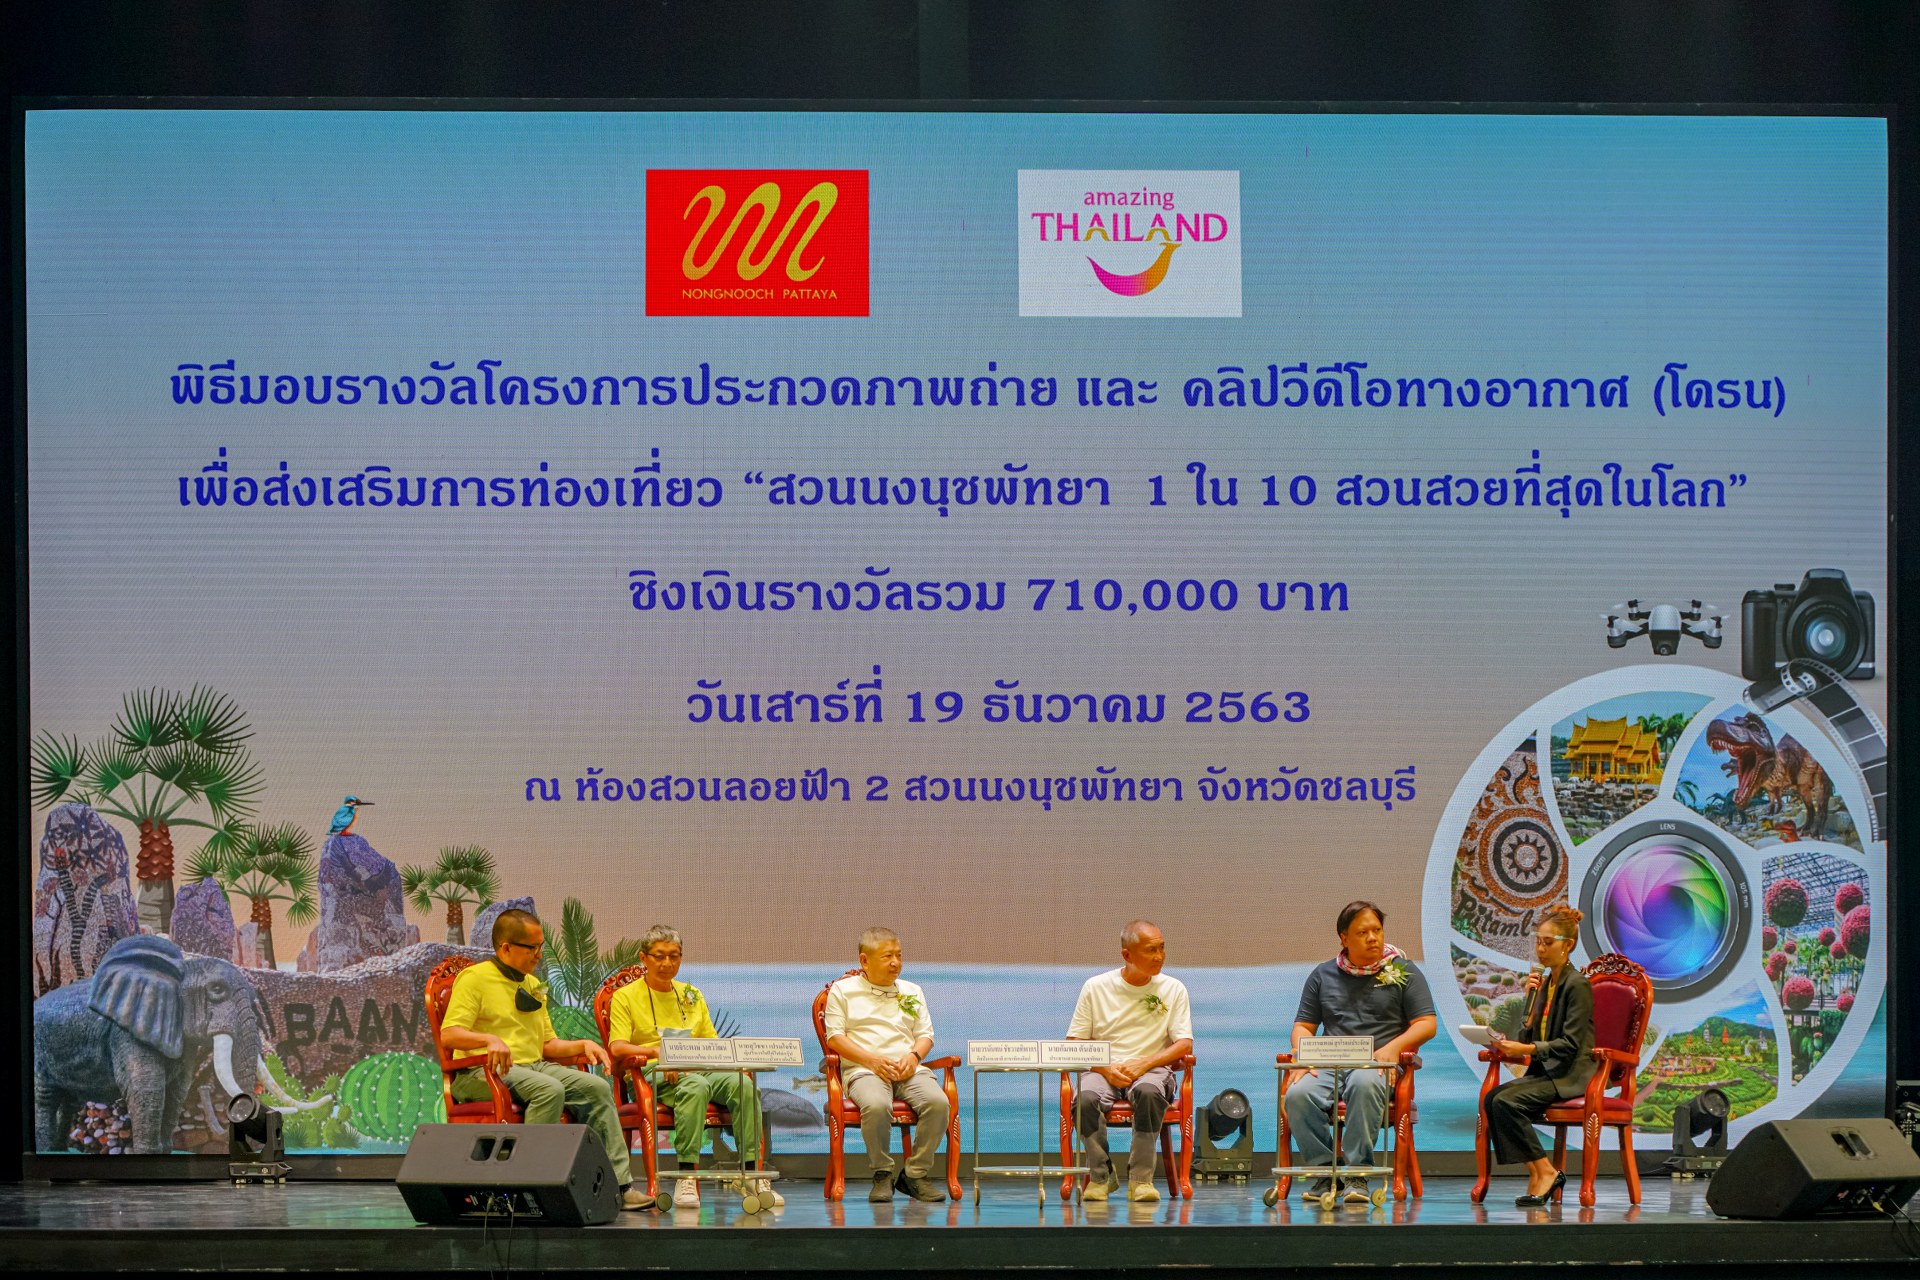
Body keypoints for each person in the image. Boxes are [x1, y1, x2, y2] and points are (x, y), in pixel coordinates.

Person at [440, 908, 651, 1210]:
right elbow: (449, 1035)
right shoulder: (474, 978)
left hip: (532, 1067)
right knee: (548, 1089)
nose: (539, 955)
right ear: (506, 948)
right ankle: (530, 1185)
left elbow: (548, 1045)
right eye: (532, 947)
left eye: (541, 947)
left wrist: (583, 1044)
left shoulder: (531, 984)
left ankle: (617, 1186)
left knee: (595, 1088)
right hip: (482, 1071)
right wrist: (488, 1040)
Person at [606, 925, 780, 1212]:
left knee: (743, 1085)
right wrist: (658, 1053)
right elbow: (618, 1047)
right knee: (695, 1086)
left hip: (697, 1067)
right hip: (652, 1072)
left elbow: (711, 1042)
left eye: (674, 956)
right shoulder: (625, 996)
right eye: (659, 956)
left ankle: (751, 1174)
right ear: (644, 958)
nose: (667, 963)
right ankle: (686, 1175)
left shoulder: (691, 994)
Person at [1286, 900, 1437, 1205]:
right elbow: (1303, 1026)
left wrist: (1393, 1048)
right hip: (1330, 1063)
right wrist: (1302, 1054)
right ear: (1344, 938)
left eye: (1377, 930)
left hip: (1377, 1065)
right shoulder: (1322, 975)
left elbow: (1427, 1024)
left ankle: (1357, 1174)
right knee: (1297, 1094)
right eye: (1363, 932)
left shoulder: (1404, 971)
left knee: (1363, 1083)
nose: (1373, 938)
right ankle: (1324, 1173)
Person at [1067, 919, 1194, 1203]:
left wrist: (1144, 1064)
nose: (1159, 956)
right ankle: (1101, 1176)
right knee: (1085, 1098)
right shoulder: (1096, 987)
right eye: (1151, 950)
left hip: (1152, 1070)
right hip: (1104, 1070)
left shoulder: (1173, 988)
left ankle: (1141, 1180)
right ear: (1127, 955)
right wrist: (1105, 1069)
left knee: (1148, 1092)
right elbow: (1074, 1042)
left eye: (1162, 948)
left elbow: (1184, 1044)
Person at [822, 927, 952, 1202]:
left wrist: (913, 1057)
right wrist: (871, 1060)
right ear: (864, 960)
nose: (895, 962)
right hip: (864, 1069)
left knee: (939, 1103)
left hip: (908, 1069)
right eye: (887, 956)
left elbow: (926, 1035)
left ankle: (914, 1174)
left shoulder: (912, 990)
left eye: (899, 955)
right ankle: (882, 1173)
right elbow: (834, 1037)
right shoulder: (843, 991)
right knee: (876, 1105)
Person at [1483, 906, 1595, 1206]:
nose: (1541, 949)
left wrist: (1527, 1050)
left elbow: (1571, 1044)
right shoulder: (1546, 983)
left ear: (1568, 945)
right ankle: (1538, 1172)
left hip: (1570, 1074)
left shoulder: (1577, 985)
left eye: (1548, 942)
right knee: (1492, 1099)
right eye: (1538, 941)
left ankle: (1546, 1171)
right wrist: (1529, 1009)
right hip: (1547, 1071)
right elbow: (1529, 1037)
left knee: (1507, 1102)